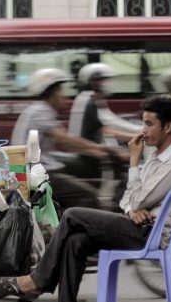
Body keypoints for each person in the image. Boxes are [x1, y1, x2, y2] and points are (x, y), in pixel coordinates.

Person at [1, 95, 171, 302]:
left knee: (72, 215)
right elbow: (128, 199)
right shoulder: (157, 156)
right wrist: (131, 210)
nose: (143, 130)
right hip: (139, 224)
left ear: (168, 127)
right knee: (75, 240)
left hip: (149, 234)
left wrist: (133, 161)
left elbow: (138, 197)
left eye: (149, 124)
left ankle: (37, 280)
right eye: (143, 123)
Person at [11, 68, 110, 209]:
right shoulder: (41, 111)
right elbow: (65, 138)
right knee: (88, 196)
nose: (64, 96)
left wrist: (94, 152)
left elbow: (67, 145)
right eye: (60, 90)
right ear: (52, 92)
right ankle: (72, 228)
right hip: (36, 173)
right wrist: (100, 148)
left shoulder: (37, 109)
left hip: (34, 170)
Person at [69, 63, 139, 144]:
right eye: (103, 80)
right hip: (87, 151)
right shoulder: (88, 101)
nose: (107, 83)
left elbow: (111, 121)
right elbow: (107, 128)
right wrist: (139, 133)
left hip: (92, 147)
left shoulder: (91, 99)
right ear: (93, 82)